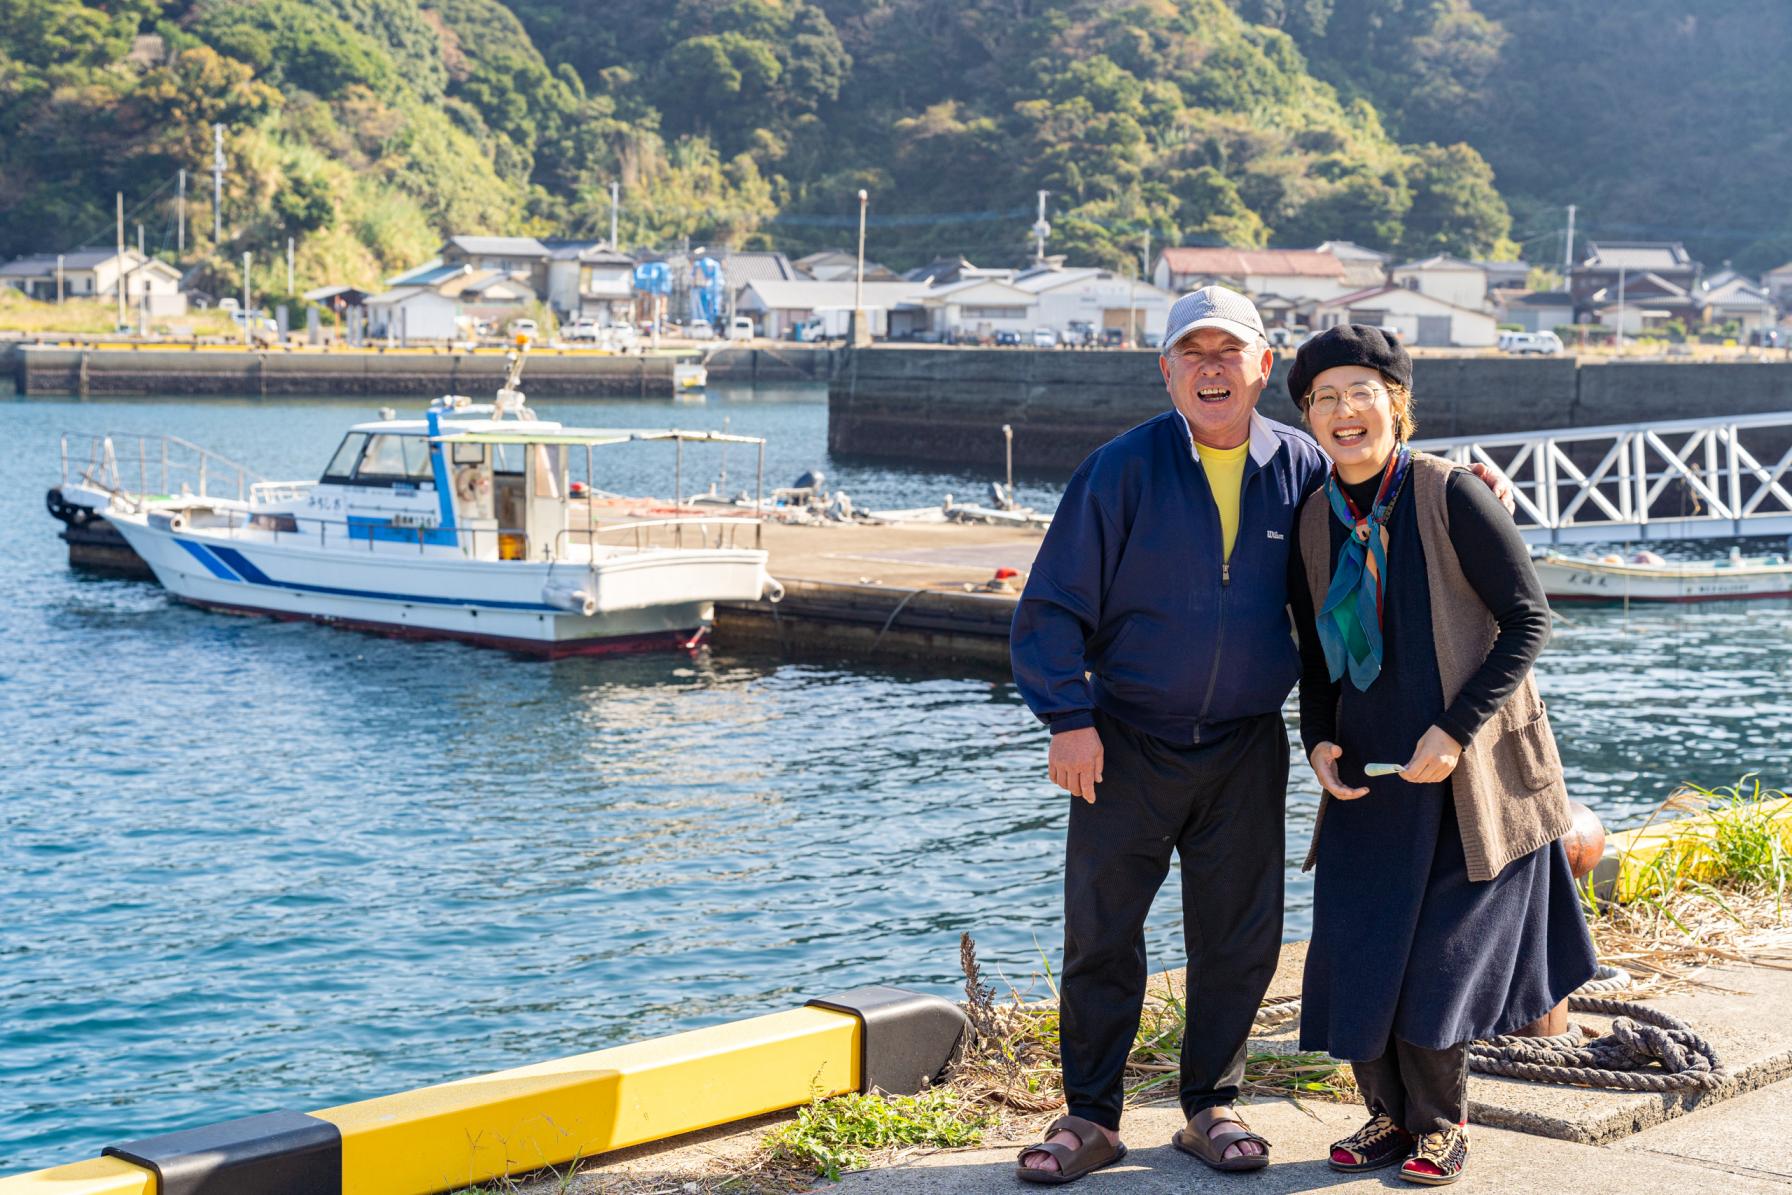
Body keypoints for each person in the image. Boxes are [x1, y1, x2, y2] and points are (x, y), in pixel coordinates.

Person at [1284, 325, 1598, 1186]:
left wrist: (1455, 728)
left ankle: (1441, 1125)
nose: (1346, 412)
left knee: (1436, 969)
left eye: (1362, 392)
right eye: (1325, 398)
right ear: (1309, 417)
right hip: (1371, 779)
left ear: (1397, 404)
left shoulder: (1450, 493)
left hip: (1473, 779)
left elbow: (1528, 618)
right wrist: (1316, 740)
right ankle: (1387, 1117)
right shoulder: (1316, 517)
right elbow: (1314, 657)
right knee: (1357, 955)